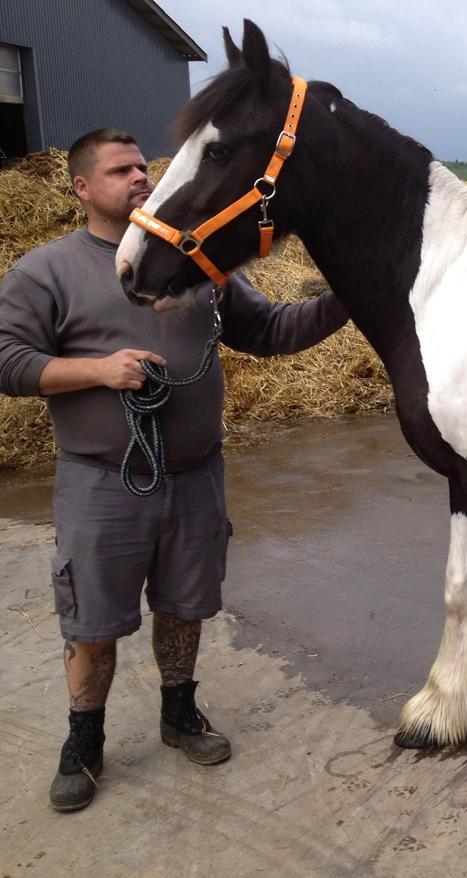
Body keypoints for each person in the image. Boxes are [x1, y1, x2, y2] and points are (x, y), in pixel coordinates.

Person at [0, 129, 349, 812]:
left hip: (194, 475)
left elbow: (272, 330)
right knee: (93, 622)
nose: (139, 177)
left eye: (142, 166)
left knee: (185, 608)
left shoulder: (199, 263)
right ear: (79, 188)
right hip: (102, 481)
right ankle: (85, 738)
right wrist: (99, 371)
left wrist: (350, 298)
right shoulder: (47, 270)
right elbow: (7, 360)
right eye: (120, 170)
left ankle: (179, 711)